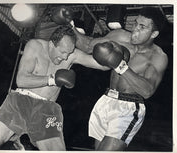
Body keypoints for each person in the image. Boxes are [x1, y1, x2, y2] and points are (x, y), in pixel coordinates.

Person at [0, 25, 110, 151]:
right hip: (20, 102)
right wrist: (52, 79)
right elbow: (21, 80)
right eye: (63, 52)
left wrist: (116, 56)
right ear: (51, 44)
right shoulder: (35, 46)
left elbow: (102, 65)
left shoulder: (72, 55)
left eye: (69, 53)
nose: (66, 57)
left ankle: (20, 144)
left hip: (46, 110)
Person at [71, 6, 168, 150]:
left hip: (128, 107)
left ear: (154, 34)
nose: (135, 29)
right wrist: (69, 25)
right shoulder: (120, 36)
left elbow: (147, 91)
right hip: (106, 100)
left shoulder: (158, 57)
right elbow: (87, 46)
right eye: (135, 23)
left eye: (142, 27)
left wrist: (120, 66)